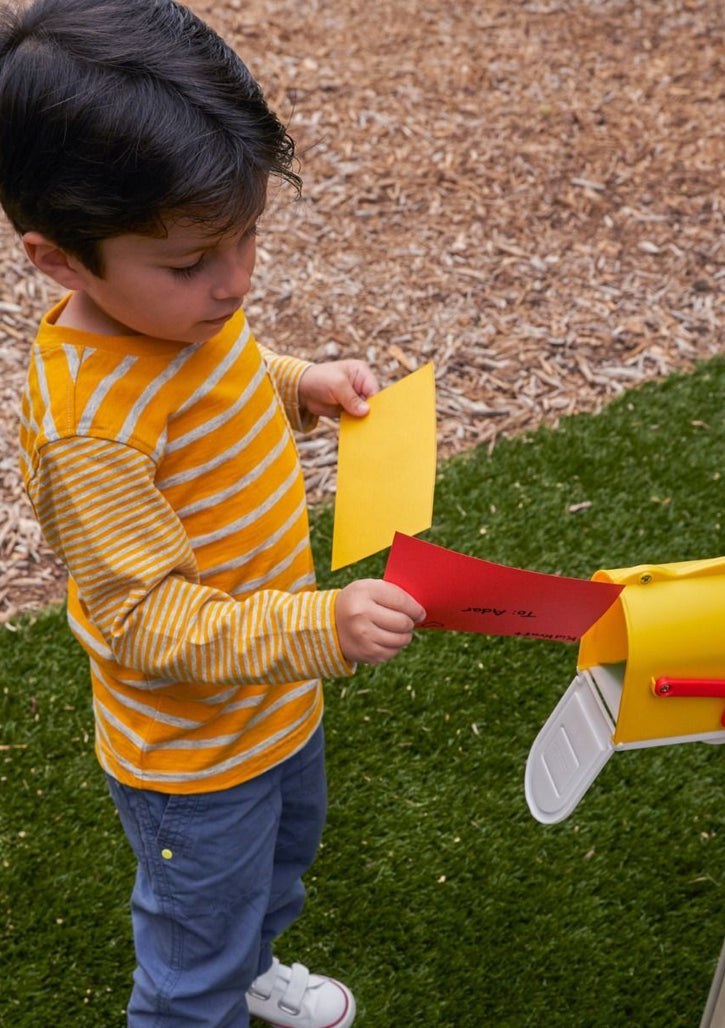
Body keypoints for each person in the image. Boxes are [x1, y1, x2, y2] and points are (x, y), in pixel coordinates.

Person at [0, 1, 426, 1025]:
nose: (233, 283)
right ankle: (212, 990)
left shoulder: (179, 319)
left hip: (272, 699)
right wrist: (319, 627)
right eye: (193, 261)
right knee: (191, 954)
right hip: (192, 756)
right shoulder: (91, 434)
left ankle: (252, 961)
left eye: (245, 239)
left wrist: (296, 383)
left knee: (274, 872)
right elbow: (147, 622)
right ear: (59, 260)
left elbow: (224, 376)